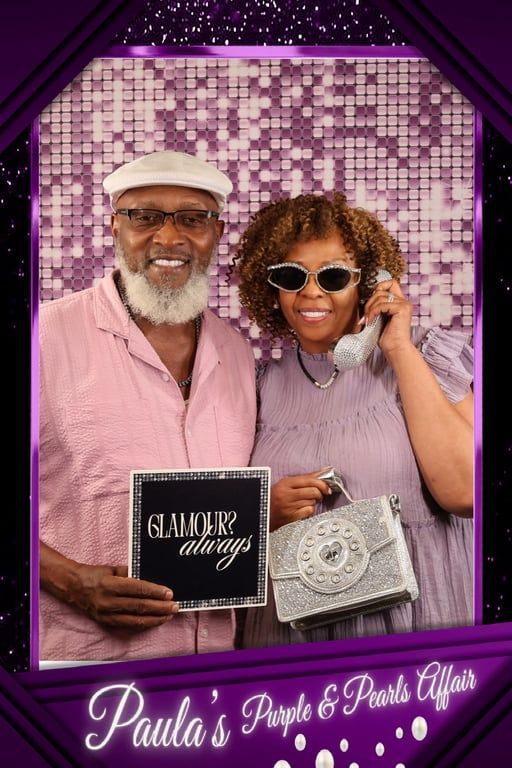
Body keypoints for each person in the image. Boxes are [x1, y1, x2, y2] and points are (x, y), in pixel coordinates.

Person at [39, 150, 256, 662]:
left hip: (215, 666)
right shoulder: (44, 337)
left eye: (192, 218)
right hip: (77, 663)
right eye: (145, 216)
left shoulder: (236, 354)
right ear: (115, 226)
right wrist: (69, 580)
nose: (169, 238)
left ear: (216, 233)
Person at [232, 193, 473, 648]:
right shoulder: (257, 388)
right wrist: (263, 511)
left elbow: (465, 492)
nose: (310, 292)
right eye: (291, 276)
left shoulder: (424, 356)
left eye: (333, 275)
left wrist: (397, 348)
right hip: (293, 638)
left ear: (369, 283)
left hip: (414, 627)